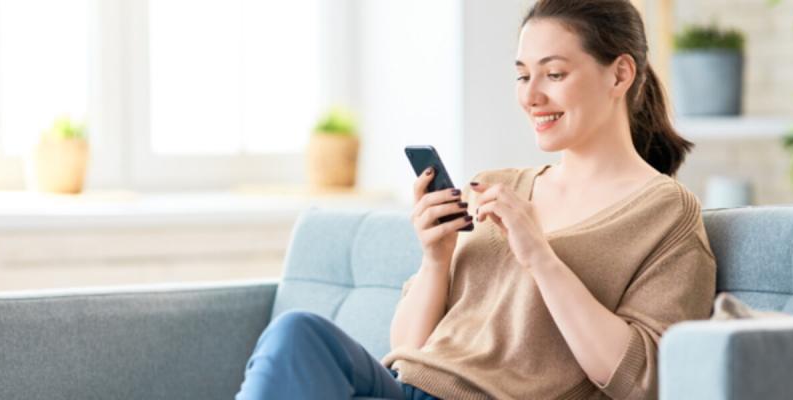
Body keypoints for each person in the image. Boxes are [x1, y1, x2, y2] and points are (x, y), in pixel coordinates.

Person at [236, 0, 716, 398]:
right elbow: (409, 351)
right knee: (297, 335)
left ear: (620, 75)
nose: (531, 96)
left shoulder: (666, 214)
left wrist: (539, 256)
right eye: (523, 75)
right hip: (409, 389)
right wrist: (435, 259)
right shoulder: (495, 186)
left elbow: (645, 381)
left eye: (554, 74)